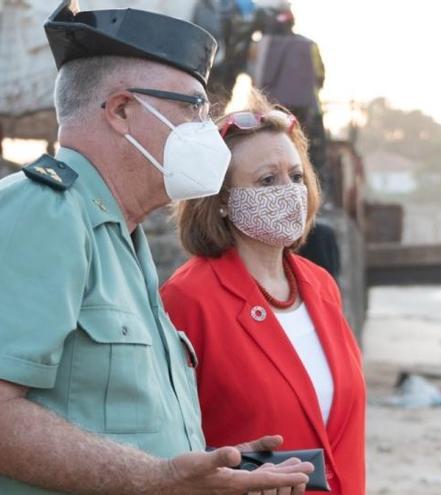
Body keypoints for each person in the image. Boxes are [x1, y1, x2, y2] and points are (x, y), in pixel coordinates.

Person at [0, 2, 312, 493]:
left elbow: (111, 417)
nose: (206, 130)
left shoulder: (122, 234)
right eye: (192, 110)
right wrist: (159, 478)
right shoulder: (45, 212)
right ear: (122, 110)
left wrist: (213, 467)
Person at [161, 91, 365, 495]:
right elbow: (165, 441)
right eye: (267, 179)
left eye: (295, 176)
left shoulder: (320, 285)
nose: (289, 191)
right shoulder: (187, 299)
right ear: (220, 200)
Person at [251, 8, 327, 175]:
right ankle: (318, 192)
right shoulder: (309, 44)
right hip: (308, 109)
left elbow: (257, 79)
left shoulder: (264, 45)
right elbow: (320, 76)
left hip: (274, 110)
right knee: (314, 157)